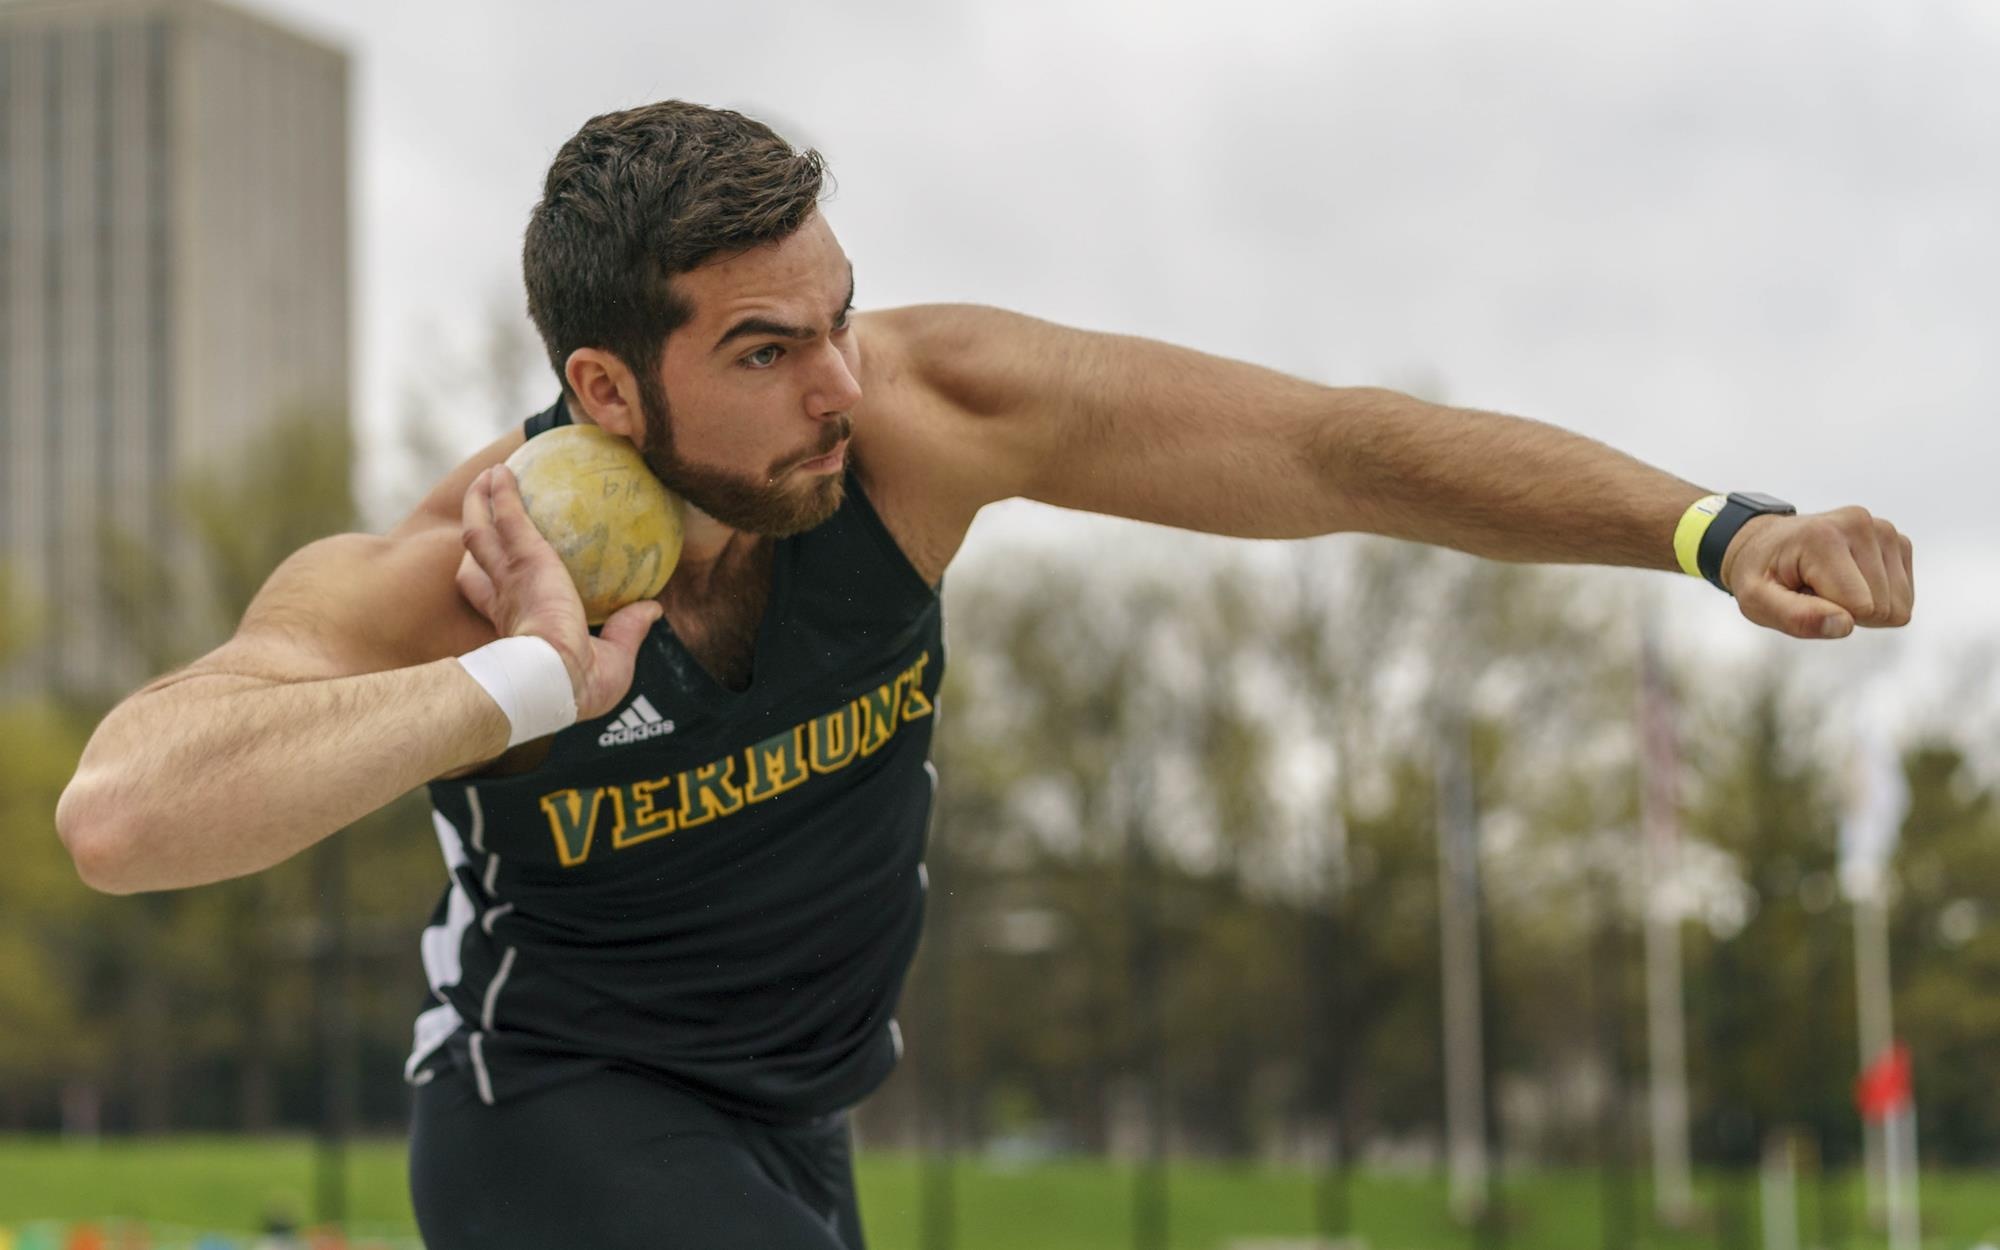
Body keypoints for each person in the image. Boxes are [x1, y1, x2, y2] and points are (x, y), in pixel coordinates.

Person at [55, 100, 1915, 1248]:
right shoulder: (453, 576)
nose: (840, 390)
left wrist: (1713, 528)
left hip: (804, 1123)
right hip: (555, 1113)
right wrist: (526, 688)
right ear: (608, 390)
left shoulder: (922, 424)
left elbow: (1340, 447)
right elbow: (126, 812)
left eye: (840, 313)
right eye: (770, 352)